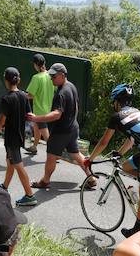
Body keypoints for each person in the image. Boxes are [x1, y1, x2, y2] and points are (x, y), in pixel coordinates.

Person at [86, 83, 140, 237]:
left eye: (113, 102)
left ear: (117, 101)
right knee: (125, 166)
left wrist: (90, 159)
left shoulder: (117, 116)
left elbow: (104, 142)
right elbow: (131, 140)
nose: (113, 105)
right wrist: (118, 152)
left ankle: (137, 229)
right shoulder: (136, 112)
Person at [27, 63, 96, 192]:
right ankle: (91, 178)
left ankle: (45, 181)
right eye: (51, 76)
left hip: (62, 131)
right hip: (72, 128)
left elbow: (57, 114)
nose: (51, 78)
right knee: (75, 154)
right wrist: (72, 122)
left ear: (62, 75)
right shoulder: (72, 86)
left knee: (51, 156)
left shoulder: (61, 92)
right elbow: (76, 107)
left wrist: (36, 118)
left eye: (54, 76)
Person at [0, 67, 38, 207]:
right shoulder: (24, 96)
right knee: (10, 162)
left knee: (18, 165)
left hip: (12, 138)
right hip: (19, 136)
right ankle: (5, 186)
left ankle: (30, 195)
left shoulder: (7, 99)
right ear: (17, 80)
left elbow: (1, 122)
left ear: (6, 81)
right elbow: (28, 116)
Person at [24, 53, 53, 155]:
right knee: (36, 127)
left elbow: (31, 95)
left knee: (45, 133)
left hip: (40, 111)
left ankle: (55, 153)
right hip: (48, 109)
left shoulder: (36, 77)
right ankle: (34, 147)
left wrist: (22, 95)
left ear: (36, 64)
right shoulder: (50, 76)